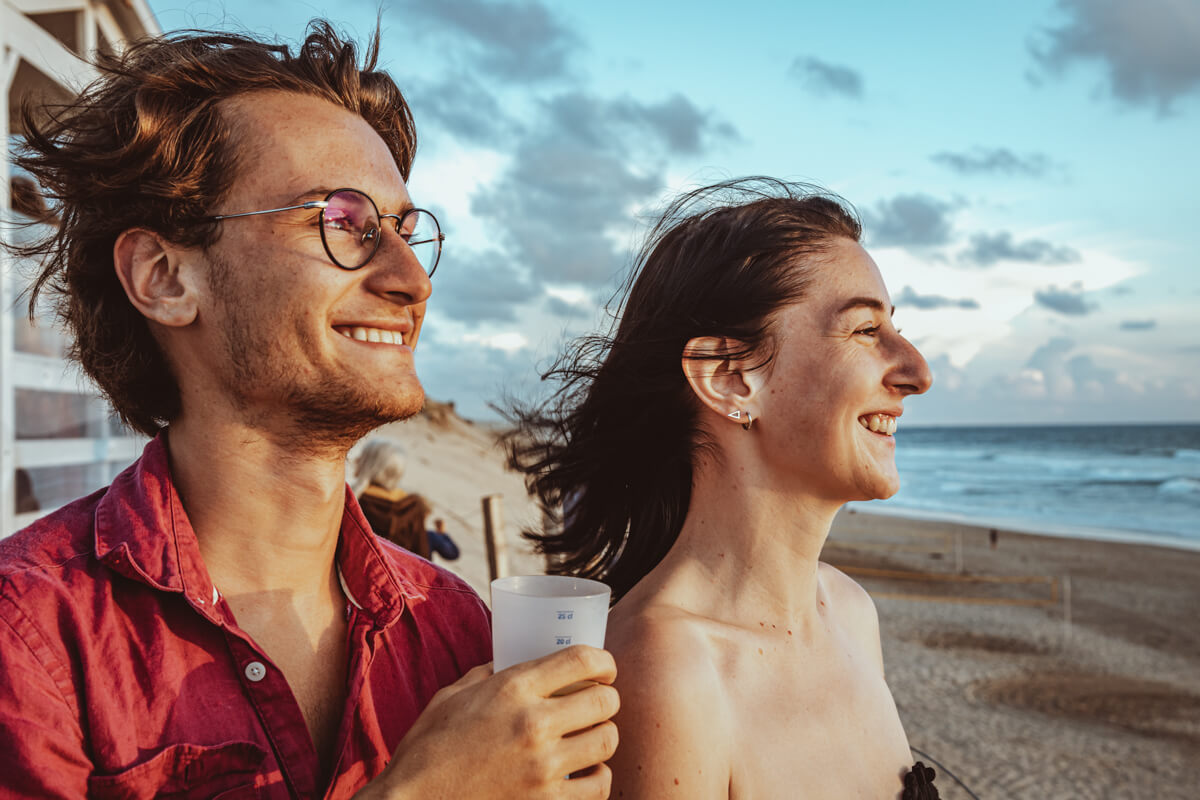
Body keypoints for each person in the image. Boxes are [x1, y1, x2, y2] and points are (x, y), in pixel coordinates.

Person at [0, 22, 618, 799]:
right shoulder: (30, 636)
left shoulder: (456, 629)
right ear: (164, 277)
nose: (411, 281)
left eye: (404, 230)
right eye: (343, 223)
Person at [507, 178, 938, 798]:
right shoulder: (666, 671)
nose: (917, 371)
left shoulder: (849, 612)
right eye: (866, 331)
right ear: (731, 379)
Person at [352, 439, 434, 558]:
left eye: (363, 457)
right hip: (397, 575)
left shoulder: (354, 500)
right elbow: (422, 553)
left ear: (371, 466)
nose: (356, 460)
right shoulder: (413, 505)